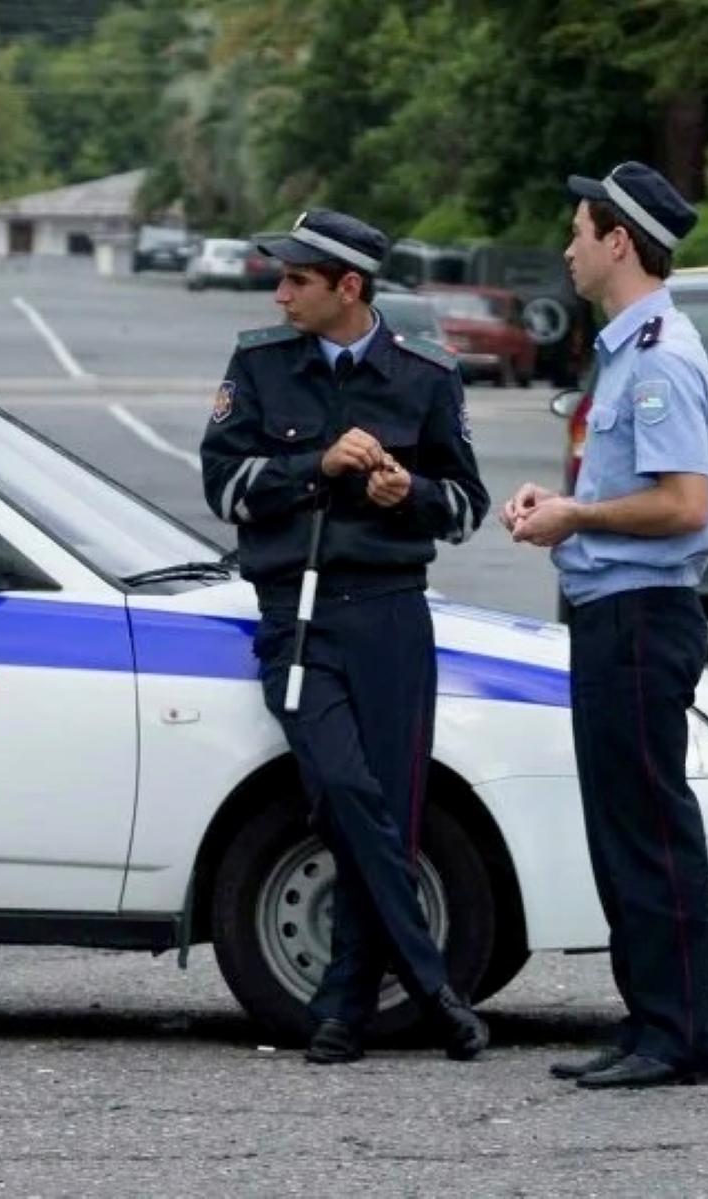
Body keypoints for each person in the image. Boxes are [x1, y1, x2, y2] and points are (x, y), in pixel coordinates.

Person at [203, 209, 491, 1064]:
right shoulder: (259, 363)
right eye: (281, 277)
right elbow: (223, 487)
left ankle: (342, 1006)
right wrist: (315, 465)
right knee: (340, 784)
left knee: (390, 810)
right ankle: (435, 984)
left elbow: (468, 504)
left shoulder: (424, 375)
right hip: (298, 613)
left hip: (392, 612)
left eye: (298, 279)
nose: (281, 291)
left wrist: (413, 494)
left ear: (349, 289)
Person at [501, 162, 708, 1090]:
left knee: (648, 827)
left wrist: (575, 519)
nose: (568, 248)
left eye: (580, 232)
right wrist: (562, 506)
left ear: (619, 241)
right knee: (619, 825)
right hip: (612, 612)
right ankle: (649, 1025)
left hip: (641, 615)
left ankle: (680, 1037)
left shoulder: (662, 354)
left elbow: (681, 505)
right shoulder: (627, 349)